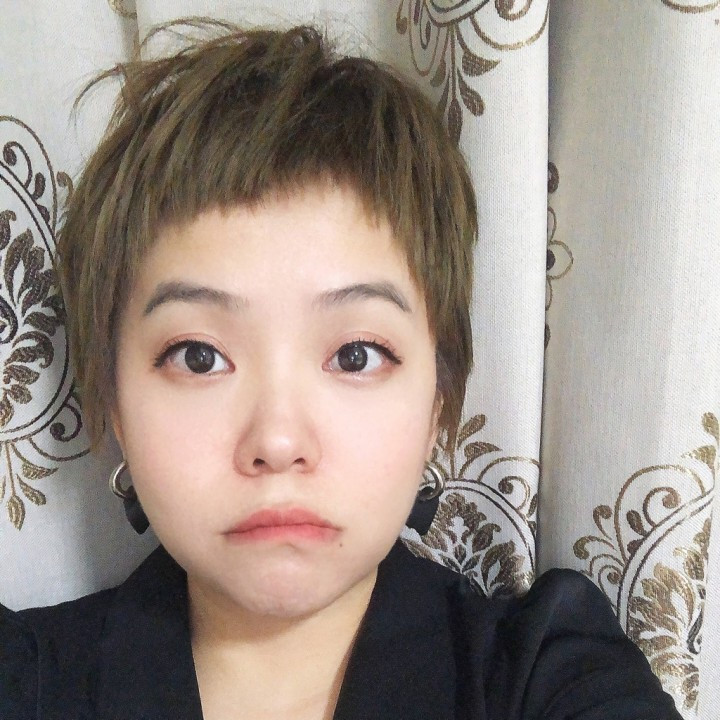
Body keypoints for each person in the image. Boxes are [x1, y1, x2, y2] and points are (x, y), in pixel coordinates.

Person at [0, 18, 682, 720]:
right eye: (199, 357)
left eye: (356, 355)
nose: (278, 441)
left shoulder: (545, 673)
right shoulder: (25, 678)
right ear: (113, 403)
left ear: (439, 405)